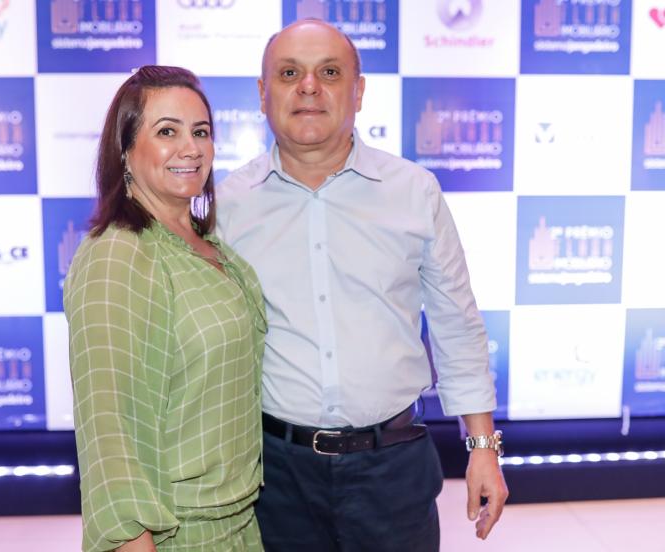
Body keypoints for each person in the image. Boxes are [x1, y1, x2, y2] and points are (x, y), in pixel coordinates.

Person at [216, 20, 508, 552]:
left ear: (359, 91)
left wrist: (483, 447)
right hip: (272, 476)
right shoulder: (228, 206)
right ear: (262, 93)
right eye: (289, 74)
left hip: (393, 469)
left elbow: (456, 324)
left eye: (329, 72)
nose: (309, 87)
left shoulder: (414, 192)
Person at [64, 65, 267, 552]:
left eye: (201, 132)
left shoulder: (206, 244)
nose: (191, 148)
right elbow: (110, 434)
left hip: (240, 526)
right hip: (176, 535)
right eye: (167, 132)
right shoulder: (117, 254)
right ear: (125, 150)